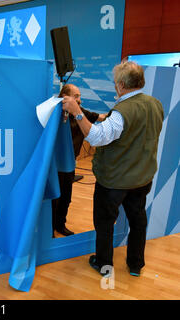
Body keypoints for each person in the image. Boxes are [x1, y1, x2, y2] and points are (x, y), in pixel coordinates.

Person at [62, 61, 164, 277]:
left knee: (105, 222)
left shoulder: (121, 112)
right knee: (138, 221)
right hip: (142, 179)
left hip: (114, 182)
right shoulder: (155, 104)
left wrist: (77, 112)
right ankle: (136, 265)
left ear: (120, 85)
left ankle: (103, 264)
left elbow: (97, 137)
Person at [52, 84, 106, 237]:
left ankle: (60, 225)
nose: (79, 100)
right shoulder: (55, 113)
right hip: (55, 166)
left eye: (79, 96)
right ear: (65, 97)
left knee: (66, 199)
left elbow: (101, 117)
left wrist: (118, 115)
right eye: (76, 96)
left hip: (70, 164)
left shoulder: (80, 112)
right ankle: (49, 230)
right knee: (54, 200)